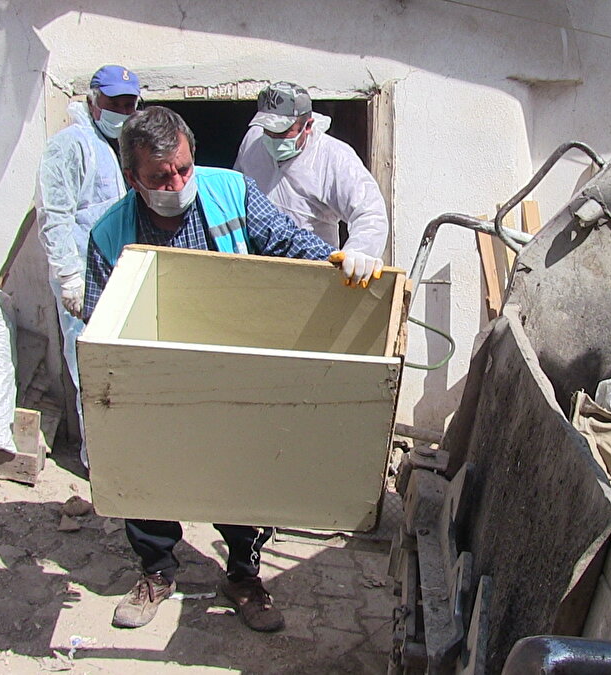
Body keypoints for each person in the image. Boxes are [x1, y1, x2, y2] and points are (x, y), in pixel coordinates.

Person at [83, 106, 383, 633]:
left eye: (182, 168)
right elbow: (99, 315)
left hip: (231, 366)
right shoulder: (109, 234)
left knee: (243, 473)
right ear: (133, 179)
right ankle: (156, 571)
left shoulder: (231, 191)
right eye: (159, 177)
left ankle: (244, 576)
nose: (176, 183)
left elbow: (295, 247)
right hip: (153, 374)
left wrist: (345, 263)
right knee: (147, 468)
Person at [35, 64, 141, 469]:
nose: (122, 110)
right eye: (114, 102)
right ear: (94, 101)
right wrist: (68, 276)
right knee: (90, 371)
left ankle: (122, 459)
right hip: (84, 280)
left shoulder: (120, 146)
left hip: (118, 277)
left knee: (119, 373)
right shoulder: (71, 145)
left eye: (129, 104)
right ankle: (99, 463)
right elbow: (56, 215)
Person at [234, 81, 389, 259]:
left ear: (308, 126)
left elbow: (370, 213)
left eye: (282, 131)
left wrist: (358, 254)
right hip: (256, 265)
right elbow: (236, 193)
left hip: (311, 270)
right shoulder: (253, 140)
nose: (273, 137)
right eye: (268, 130)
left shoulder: (334, 157)